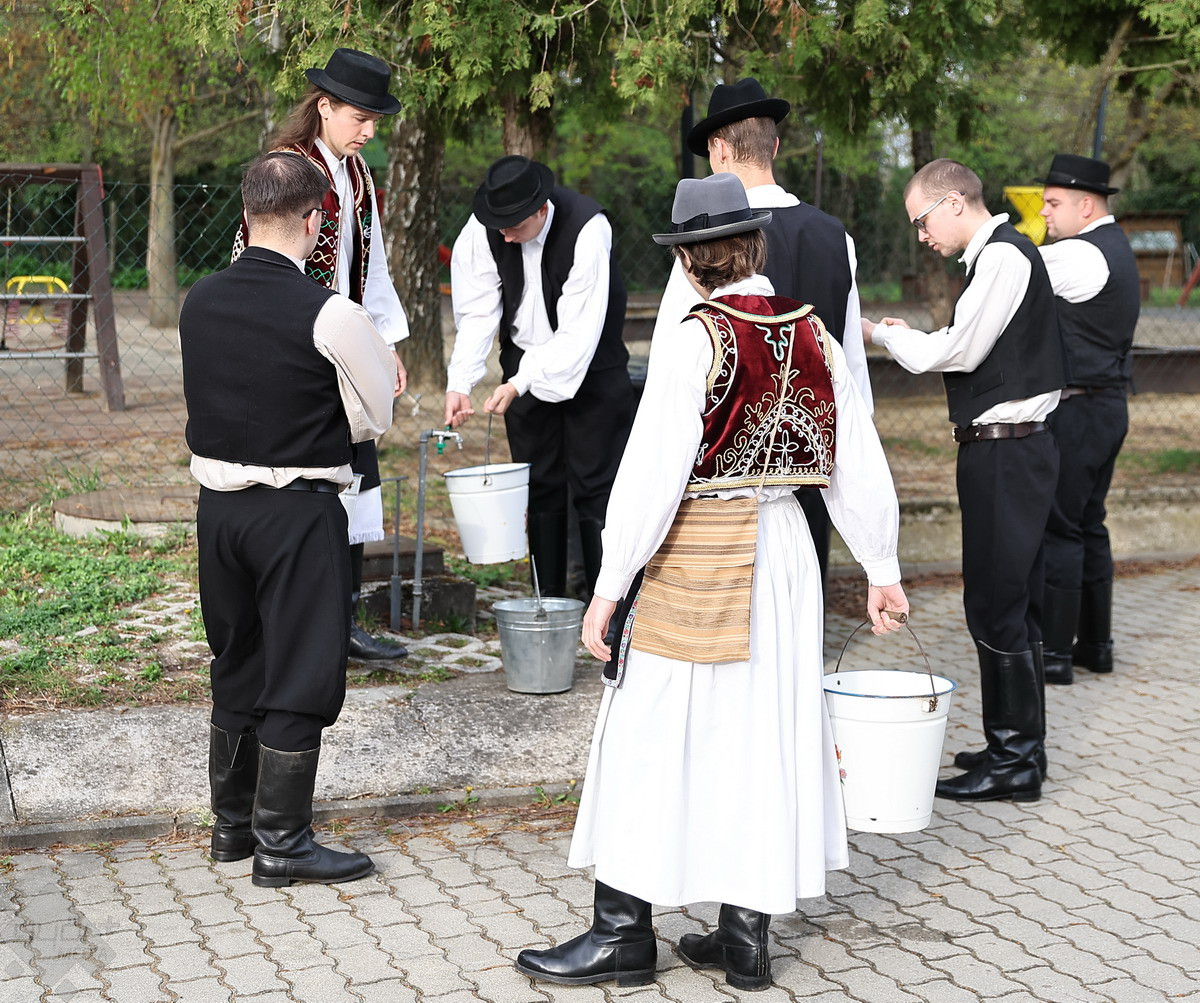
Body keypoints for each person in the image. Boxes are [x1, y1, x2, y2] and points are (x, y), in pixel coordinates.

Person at [515, 172, 907, 992]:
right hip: (788, 551)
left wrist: (610, 584)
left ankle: (623, 934)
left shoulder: (696, 338)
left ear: (689, 261)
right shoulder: (814, 335)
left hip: (703, 549)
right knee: (766, 731)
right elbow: (855, 454)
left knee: (647, 729)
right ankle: (743, 935)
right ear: (756, 245)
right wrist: (881, 564)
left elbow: (652, 473)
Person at [182, 152, 395, 886]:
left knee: (237, 659)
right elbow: (374, 415)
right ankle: (283, 842)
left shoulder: (198, 300)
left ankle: (232, 828)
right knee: (303, 668)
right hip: (297, 512)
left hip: (218, 512)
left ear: (245, 218)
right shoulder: (332, 312)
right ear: (313, 222)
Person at [863, 158, 1067, 804]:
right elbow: (966, 339)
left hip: (1008, 453)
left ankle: (1014, 760)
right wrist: (913, 335)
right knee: (1012, 602)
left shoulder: (1002, 256)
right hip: (1010, 452)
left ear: (954, 202)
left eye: (922, 221)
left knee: (997, 603)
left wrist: (879, 334)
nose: (922, 235)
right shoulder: (998, 256)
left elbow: (957, 351)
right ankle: (1019, 747)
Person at [653, 77, 875, 583]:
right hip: (813, 459)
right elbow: (850, 362)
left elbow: (673, 357)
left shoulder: (708, 238)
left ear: (719, 150)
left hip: (725, 478)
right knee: (804, 595)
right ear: (773, 146)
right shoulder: (836, 236)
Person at [233, 47, 409, 661]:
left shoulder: (357, 177)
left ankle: (343, 621)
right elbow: (251, 256)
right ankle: (292, 624)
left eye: (375, 121)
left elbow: (372, 266)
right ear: (325, 106)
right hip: (294, 347)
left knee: (352, 476)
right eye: (359, 117)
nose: (368, 131)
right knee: (303, 485)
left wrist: (385, 344)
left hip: (345, 345)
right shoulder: (287, 171)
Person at [444, 155, 634, 598]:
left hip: (593, 366)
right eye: (499, 225)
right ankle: (548, 604)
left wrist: (519, 382)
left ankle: (607, 609)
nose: (505, 235)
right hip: (521, 369)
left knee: (597, 487)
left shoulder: (588, 228)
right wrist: (460, 382)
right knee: (539, 484)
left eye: (513, 225)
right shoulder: (484, 229)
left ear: (541, 210)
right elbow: (477, 312)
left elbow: (577, 334)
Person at [1033, 154, 1139, 685]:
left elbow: (1010, 274)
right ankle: (1097, 647)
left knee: (1062, 527)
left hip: (1078, 409)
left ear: (1086, 206)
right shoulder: (1117, 248)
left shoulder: (1078, 253)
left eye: (1053, 203)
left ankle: (1054, 654)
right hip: (1108, 405)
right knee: (1089, 524)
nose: (1044, 213)